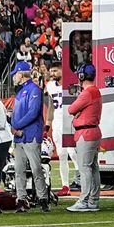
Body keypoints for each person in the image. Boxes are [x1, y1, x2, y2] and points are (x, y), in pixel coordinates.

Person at [10, 62, 49, 212]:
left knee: (36, 168)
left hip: (30, 134)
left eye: (16, 74)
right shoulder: (23, 91)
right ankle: (22, 199)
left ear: (21, 74)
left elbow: (33, 113)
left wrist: (16, 126)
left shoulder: (34, 90)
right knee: (19, 169)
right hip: (21, 135)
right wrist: (15, 127)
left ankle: (43, 198)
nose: (14, 76)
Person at [67, 63, 103, 213]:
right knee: (93, 167)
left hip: (85, 133)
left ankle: (84, 200)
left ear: (81, 76)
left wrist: (78, 115)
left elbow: (71, 109)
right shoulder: (96, 91)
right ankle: (93, 199)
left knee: (85, 168)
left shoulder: (86, 93)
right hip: (93, 132)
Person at [45, 66, 74, 194]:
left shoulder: (71, 84)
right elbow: (51, 106)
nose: (52, 73)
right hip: (57, 122)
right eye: (51, 71)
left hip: (70, 121)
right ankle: (65, 186)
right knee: (62, 155)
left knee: (73, 153)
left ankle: (83, 182)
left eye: (55, 70)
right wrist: (47, 124)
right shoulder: (50, 85)